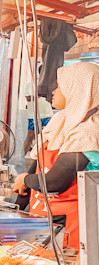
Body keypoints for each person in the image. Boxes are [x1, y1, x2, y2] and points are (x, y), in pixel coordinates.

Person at [12, 62, 99, 249]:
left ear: (77, 88)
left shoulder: (88, 130)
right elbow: (36, 166)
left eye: (60, 86)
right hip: (41, 219)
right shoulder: (61, 121)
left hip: (69, 227)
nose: (53, 90)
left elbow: (54, 182)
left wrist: (25, 179)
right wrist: (16, 210)